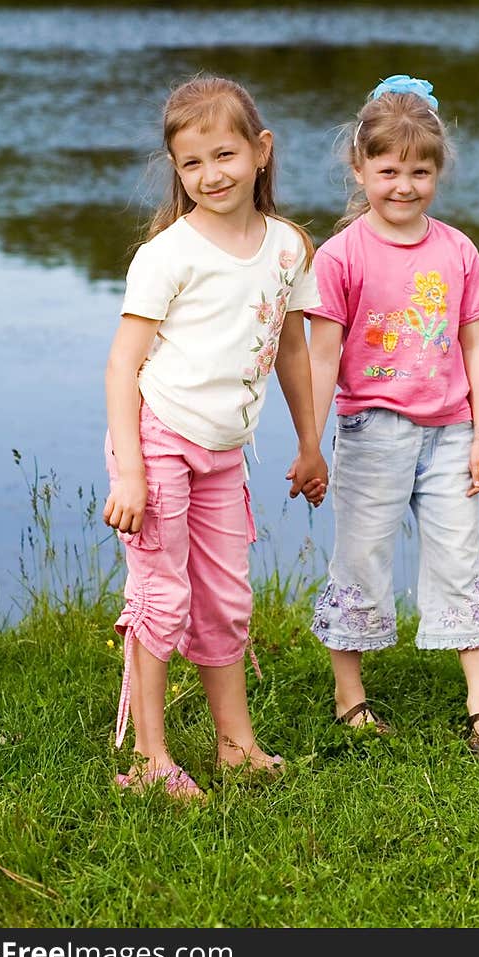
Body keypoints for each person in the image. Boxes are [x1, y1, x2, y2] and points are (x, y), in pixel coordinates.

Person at [103, 74, 328, 800]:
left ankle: (237, 745)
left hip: (224, 452)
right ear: (176, 168)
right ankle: (148, 760)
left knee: (227, 601)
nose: (210, 175)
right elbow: (122, 365)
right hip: (159, 440)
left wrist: (309, 442)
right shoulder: (169, 254)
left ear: (262, 151)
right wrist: (130, 474)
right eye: (191, 163)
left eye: (225, 155)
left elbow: (291, 350)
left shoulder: (289, 247)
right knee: (160, 599)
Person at [306, 74, 479, 759]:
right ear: (359, 168)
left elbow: (475, 342)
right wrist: (311, 443)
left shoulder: (457, 251)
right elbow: (323, 352)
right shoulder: (340, 257)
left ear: (437, 172)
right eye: (388, 170)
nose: (403, 185)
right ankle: (349, 697)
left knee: (460, 555)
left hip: (452, 431)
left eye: (419, 171)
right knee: (361, 556)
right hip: (371, 430)